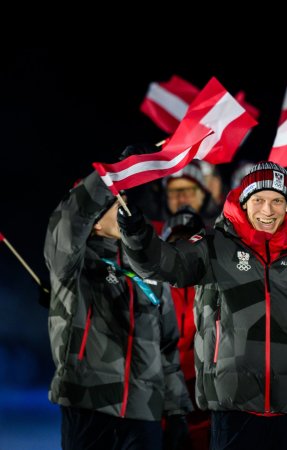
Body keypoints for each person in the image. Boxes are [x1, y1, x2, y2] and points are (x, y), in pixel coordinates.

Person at [117, 161, 287, 449]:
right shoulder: (215, 246)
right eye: (259, 200)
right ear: (244, 202)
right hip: (233, 404)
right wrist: (137, 234)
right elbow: (165, 264)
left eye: (278, 201)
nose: (268, 210)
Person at [44, 159, 191, 449]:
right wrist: (111, 175)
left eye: (125, 199)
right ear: (94, 220)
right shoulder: (72, 264)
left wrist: (176, 412)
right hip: (89, 404)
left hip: (143, 411)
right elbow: (71, 219)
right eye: (116, 202)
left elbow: (167, 347)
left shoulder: (148, 267)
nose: (125, 207)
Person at [162, 207, 211, 450]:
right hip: (161, 399)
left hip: (204, 401)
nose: (183, 248)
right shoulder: (147, 288)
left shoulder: (218, 287)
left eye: (190, 241)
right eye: (175, 241)